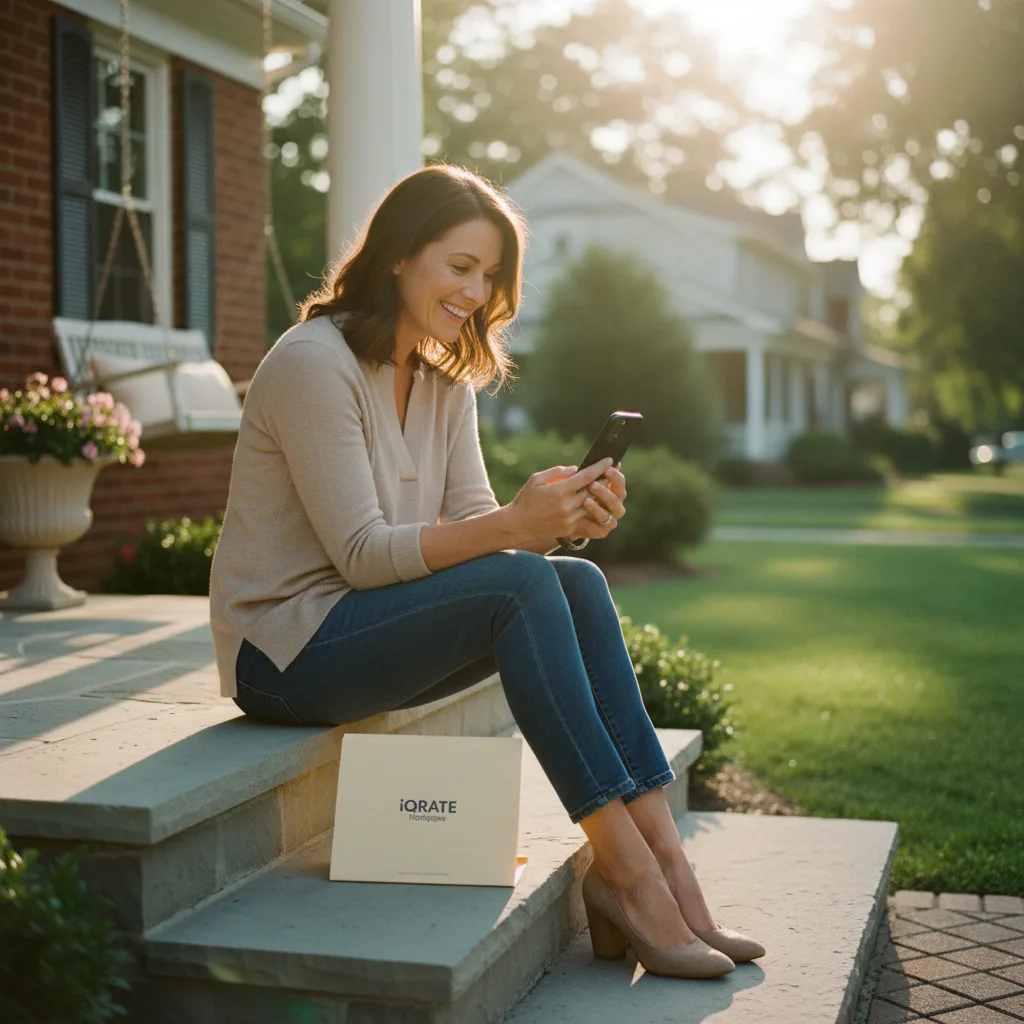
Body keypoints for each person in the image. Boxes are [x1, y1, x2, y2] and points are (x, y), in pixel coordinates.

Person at [209, 164, 764, 980]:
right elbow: (363, 553)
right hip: (285, 653)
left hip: (371, 629)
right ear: (398, 254)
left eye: (491, 275)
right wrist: (515, 528)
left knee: (575, 581)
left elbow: (477, 529)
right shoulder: (312, 363)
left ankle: (667, 867)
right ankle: (630, 878)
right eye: (461, 267)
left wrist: (558, 521)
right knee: (526, 582)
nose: (476, 293)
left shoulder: (443, 378)